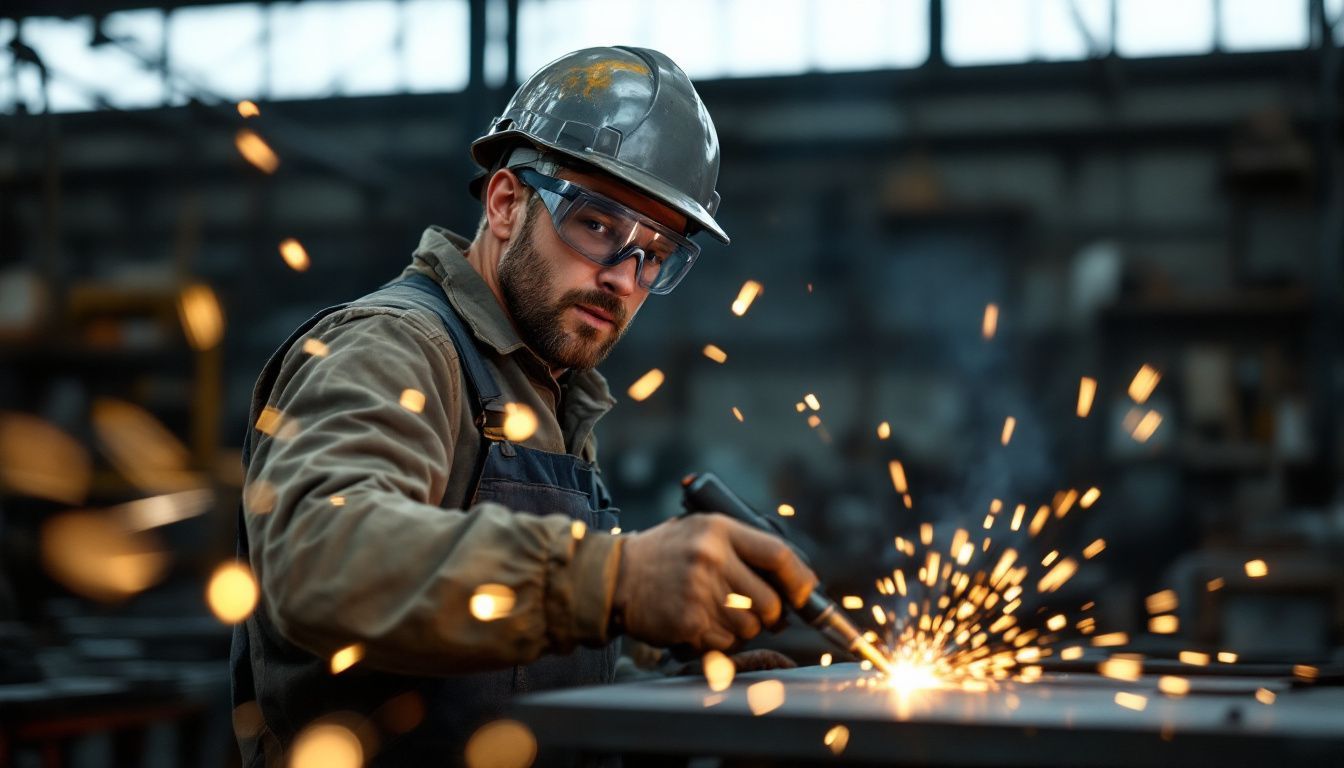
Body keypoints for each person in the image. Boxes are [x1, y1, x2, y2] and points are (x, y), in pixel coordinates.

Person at [230, 46, 817, 766]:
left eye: (655, 252)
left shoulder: (548, 389)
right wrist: (613, 579)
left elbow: (504, 674)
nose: (623, 279)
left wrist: (674, 692)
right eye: (598, 225)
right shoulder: (393, 348)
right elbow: (318, 564)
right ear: (506, 203)